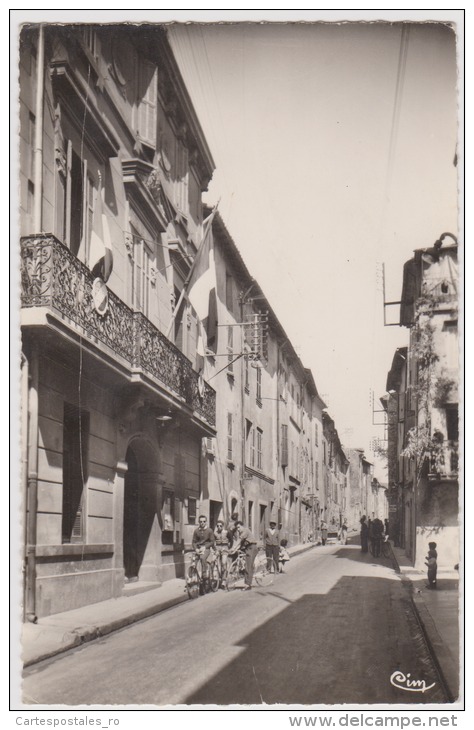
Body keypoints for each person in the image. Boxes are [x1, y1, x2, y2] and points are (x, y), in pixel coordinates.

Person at [230, 521, 258, 590]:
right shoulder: (241, 532)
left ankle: (248, 584)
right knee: (245, 564)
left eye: (239, 527)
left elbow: (239, 540)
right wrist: (234, 550)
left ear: (242, 526)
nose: (238, 529)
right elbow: (240, 544)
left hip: (251, 547)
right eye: (237, 528)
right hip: (247, 548)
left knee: (248, 566)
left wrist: (233, 548)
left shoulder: (245, 530)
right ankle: (247, 578)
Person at [191, 515, 215, 581]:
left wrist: (205, 547)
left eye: (204, 521)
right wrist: (196, 549)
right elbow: (194, 542)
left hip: (206, 549)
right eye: (201, 521)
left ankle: (204, 575)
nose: (202, 523)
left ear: (206, 522)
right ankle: (193, 577)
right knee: (193, 560)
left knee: (202, 558)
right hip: (198, 549)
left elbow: (212, 542)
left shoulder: (209, 530)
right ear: (199, 522)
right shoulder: (196, 531)